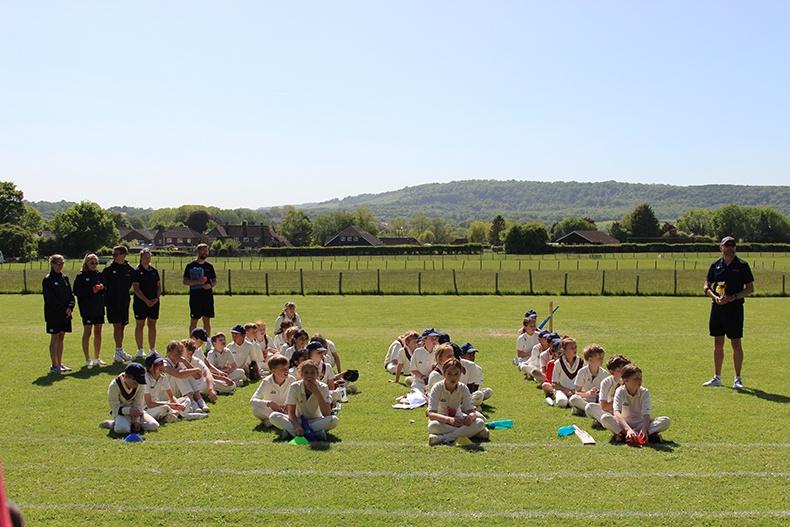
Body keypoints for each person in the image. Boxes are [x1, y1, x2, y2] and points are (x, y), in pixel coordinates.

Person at [703, 236, 755, 390]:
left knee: (736, 343)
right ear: (721, 248)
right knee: (718, 342)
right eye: (727, 245)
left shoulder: (742, 266)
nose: (730, 248)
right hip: (717, 309)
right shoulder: (715, 266)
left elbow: (750, 288)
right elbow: (706, 286)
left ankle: (737, 378)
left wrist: (733, 297)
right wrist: (715, 297)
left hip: (735, 310)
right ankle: (717, 377)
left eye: (733, 245)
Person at [427, 358, 487, 446]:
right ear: (443, 374)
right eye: (449, 374)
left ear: (460, 374)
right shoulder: (437, 388)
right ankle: (473, 433)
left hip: (460, 420)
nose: (453, 377)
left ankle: (443, 438)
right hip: (442, 421)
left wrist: (469, 418)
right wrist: (449, 420)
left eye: (456, 374)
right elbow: (431, 414)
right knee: (433, 426)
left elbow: (471, 411)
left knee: (480, 423)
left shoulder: (463, 388)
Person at [274, 359, 339, 441]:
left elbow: (326, 413)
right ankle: (315, 433)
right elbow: (291, 412)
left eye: (312, 373)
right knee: (274, 416)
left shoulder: (323, 387)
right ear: (301, 374)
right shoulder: (295, 386)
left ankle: (293, 433)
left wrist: (317, 393)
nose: (309, 375)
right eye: (306, 372)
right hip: (298, 420)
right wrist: (297, 426)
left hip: (316, 421)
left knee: (333, 420)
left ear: (318, 374)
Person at [613, 364, 671, 443]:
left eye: (640, 378)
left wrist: (644, 429)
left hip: (640, 423)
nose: (639, 381)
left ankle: (630, 435)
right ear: (626, 380)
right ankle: (640, 435)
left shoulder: (644, 392)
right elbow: (617, 413)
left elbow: (646, 414)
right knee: (605, 418)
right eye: (636, 379)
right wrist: (628, 429)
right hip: (624, 423)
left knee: (666, 421)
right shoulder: (620, 391)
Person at [99, 362, 159, 434]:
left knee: (153, 426)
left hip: (136, 412)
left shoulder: (140, 384)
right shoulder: (115, 385)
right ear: (126, 377)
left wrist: (136, 421)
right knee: (123, 429)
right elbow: (114, 407)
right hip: (121, 412)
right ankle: (112, 424)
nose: (137, 385)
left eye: (139, 382)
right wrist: (129, 411)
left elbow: (138, 403)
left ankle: (131, 424)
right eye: (135, 382)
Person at [42, 254, 75, 373]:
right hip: (54, 314)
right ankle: (54, 365)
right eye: (58, 263)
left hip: (66, 313)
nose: (61, 266)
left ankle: (60, 363)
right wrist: (63, 309)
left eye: (62, 263)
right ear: (52, 264)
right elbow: (50, 299)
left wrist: (70, 307)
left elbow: (71, 294)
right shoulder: (48, 280)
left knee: (61, 337)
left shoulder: (64, 278)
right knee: (55, 337)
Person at [72, 253, 106, 368]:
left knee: (98, 332)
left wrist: (102, 288)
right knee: (87, 332)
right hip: (87, 308)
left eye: (96, 263)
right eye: (92, 263)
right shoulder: (81, 276)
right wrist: (91, 290)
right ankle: (87, 358)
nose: (94, 265)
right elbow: (77, 291)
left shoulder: (99, 275)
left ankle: (97, 357)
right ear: (86, 263)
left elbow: (106, 289)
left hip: (99, 307)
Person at [102, 245, 134, 362]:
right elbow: (104, 285)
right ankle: (117, 351)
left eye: (116, 254)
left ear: (123, 255)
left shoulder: (128, 269)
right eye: (113, 254)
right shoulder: (109, 270)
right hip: (112, 302)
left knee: (122, 326)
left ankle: (120, 350)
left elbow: (130, 283)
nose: (114, 256)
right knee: (117, 325)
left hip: (124, 301)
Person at [183, 243, 217, 342]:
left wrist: (210, 285)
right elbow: (185, 281)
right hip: (196, 297)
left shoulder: (209, 266)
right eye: (202, 251)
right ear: (197, 251)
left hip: (207, 296)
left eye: (206, 251)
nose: (205, 253)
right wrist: (198, 282)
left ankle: (208, 341)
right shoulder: (191, 265)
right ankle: (192, 342)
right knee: (194, 320)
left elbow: (215, 280)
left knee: (207, 320)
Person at [250, 354, 295, 428]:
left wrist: (289, 405)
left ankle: (273, 421)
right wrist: (269, 403)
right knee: (256, 409)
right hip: (270, 410)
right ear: (273, 371)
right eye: (282, 369)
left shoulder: (292, 380)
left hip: (286, 411)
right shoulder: (267, 381)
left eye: (287, 368)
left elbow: (298, 397)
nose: (286, 371)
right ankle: (277, 421)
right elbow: (252, 400)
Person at [143, 351, 188, 424]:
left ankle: (174, 414)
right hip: (146, 409)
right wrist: (169, 405)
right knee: (165, 408)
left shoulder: (163, 377)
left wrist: (178, 405)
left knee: (186, 400)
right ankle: (177, 414)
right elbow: (149, 404)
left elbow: (171, 396)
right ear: (150, 368)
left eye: (162, 364)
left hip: (157, 405)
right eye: (158, 365)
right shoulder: (146, 379)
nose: (161, 366)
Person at [132, 248, 161, 359]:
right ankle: (140, 349)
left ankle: (152, 349)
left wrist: (156, 298)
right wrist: (146, 301)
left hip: (154, 302)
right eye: (145, 257)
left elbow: (158, 286)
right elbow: (136, 288)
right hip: (141, 302)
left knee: (152, 325)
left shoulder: (154, 271)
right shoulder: (137, 271)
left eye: (149, 257)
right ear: (141, 258)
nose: (147, 259)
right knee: (140, 325)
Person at [569, 343, 609, 416]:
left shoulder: (604, 374)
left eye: (602, 357)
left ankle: (582, 410)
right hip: (585, 400)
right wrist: (588, 393)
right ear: (590, 359)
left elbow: (607, 393)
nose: (602, 360)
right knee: (573, 399)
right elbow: (577, 392)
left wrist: (599, 393)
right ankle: (591, 411)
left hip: (598, 401)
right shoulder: (582, 372)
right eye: (599, 358)